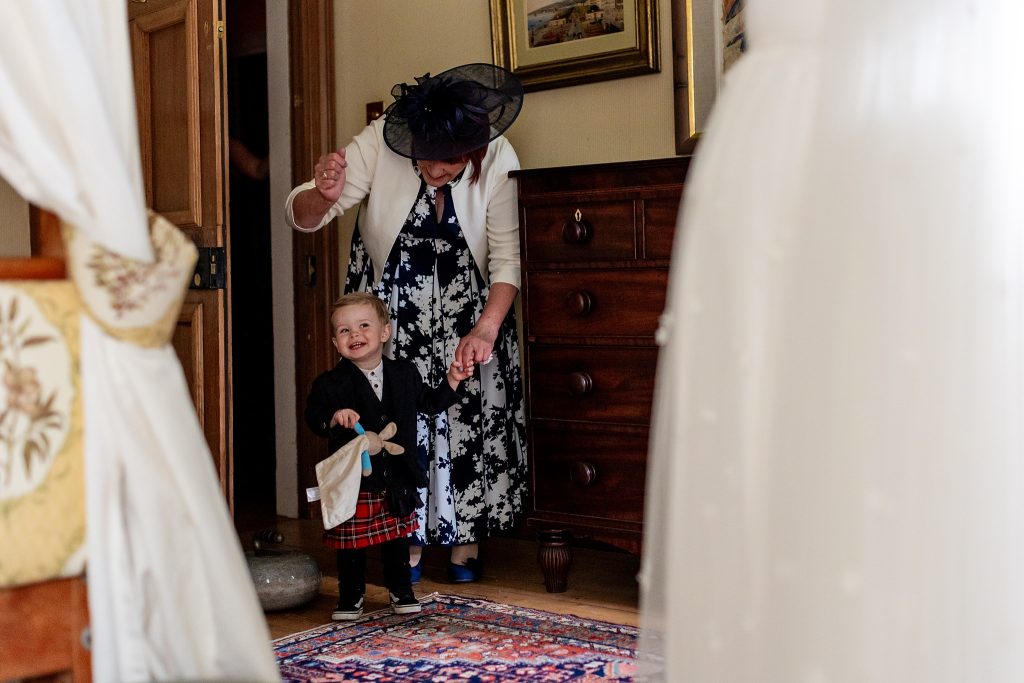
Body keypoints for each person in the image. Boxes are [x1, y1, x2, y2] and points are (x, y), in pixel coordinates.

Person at [286, 63, 527, 583]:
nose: (429, 172)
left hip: (469, 309)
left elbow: (507, 259)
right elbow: (303, 214)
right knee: (398, 414)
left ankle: (465, 539)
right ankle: (406, 539)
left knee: (465, 415)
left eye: (442, 164)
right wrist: (322, 195)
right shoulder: (381, 141)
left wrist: (486, 328)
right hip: (393, 311)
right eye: (421, 160)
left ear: (471, 150)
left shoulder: (500, 156)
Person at [305, 292, 471, 620]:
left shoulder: (404, 374)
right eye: (344, 331)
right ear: (335, 343)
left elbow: (428, 403)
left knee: (397, 540)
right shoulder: (330, 384)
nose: (354, 335)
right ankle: (351, 597)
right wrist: (335, 417)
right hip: (356, 482)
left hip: (397, 477)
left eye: (363, 326)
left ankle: (401, 591)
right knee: (351, 546)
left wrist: (452, 381)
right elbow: (314, 418)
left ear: (384, 332)